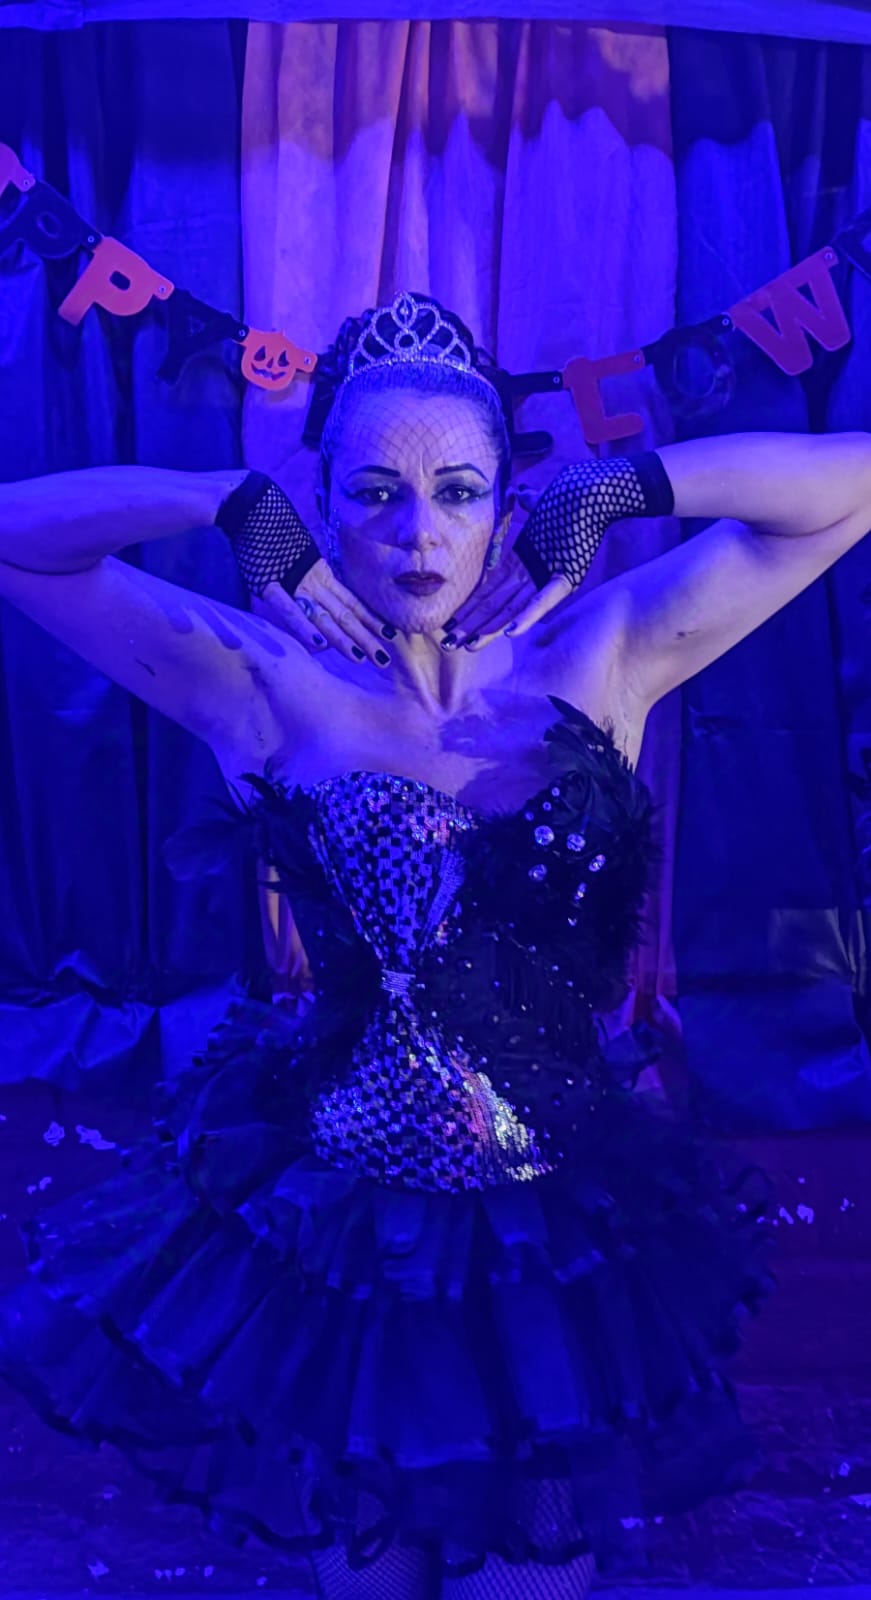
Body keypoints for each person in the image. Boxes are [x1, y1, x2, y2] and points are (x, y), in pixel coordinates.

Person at [0, 290, 868, 1600]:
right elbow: (19, 540)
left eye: (459, 493)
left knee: (525, 1571)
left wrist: (622, 487)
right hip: (344, 1232)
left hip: (548, 1227)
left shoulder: (603, 655)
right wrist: (220, 497)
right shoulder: (266, 685)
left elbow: (853, 482)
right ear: (321, 509)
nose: (419, 535)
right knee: (374, 1574)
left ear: (504, 508)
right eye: (375, 496)